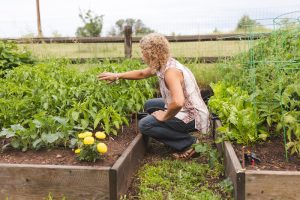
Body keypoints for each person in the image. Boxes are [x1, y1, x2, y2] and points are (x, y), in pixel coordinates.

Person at [98, 33, 210, 159]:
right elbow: (141, 73)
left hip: (193, 116)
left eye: (143, 52)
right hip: (187, 108)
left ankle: (189, 143)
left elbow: (178, 102)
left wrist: (164, 116)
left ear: (151, 53)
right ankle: (171, 132)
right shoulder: (163, 63)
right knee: (150, 105)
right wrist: (117, 75)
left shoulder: (170, 72)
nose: (142, 55)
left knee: (145, 125)